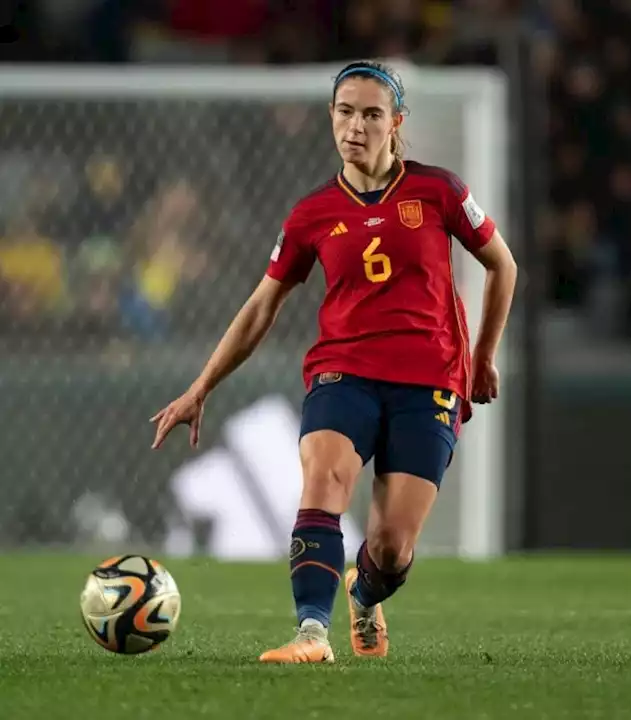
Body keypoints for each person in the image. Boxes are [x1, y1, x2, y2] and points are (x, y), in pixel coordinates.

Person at [149, 60, 518, 663]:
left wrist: (482, 357)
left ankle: (365, 594)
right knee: (322, 481)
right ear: (332, 118)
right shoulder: (312, 213)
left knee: (393, 549)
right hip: (341, 371)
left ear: (396, 122)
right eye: (345, 112)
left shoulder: (439, 191)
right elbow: (260, 307)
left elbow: (503, 265)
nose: (356, 125)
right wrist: (201, 386)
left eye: (372, 114)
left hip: (429, 377)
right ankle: (311, 633)